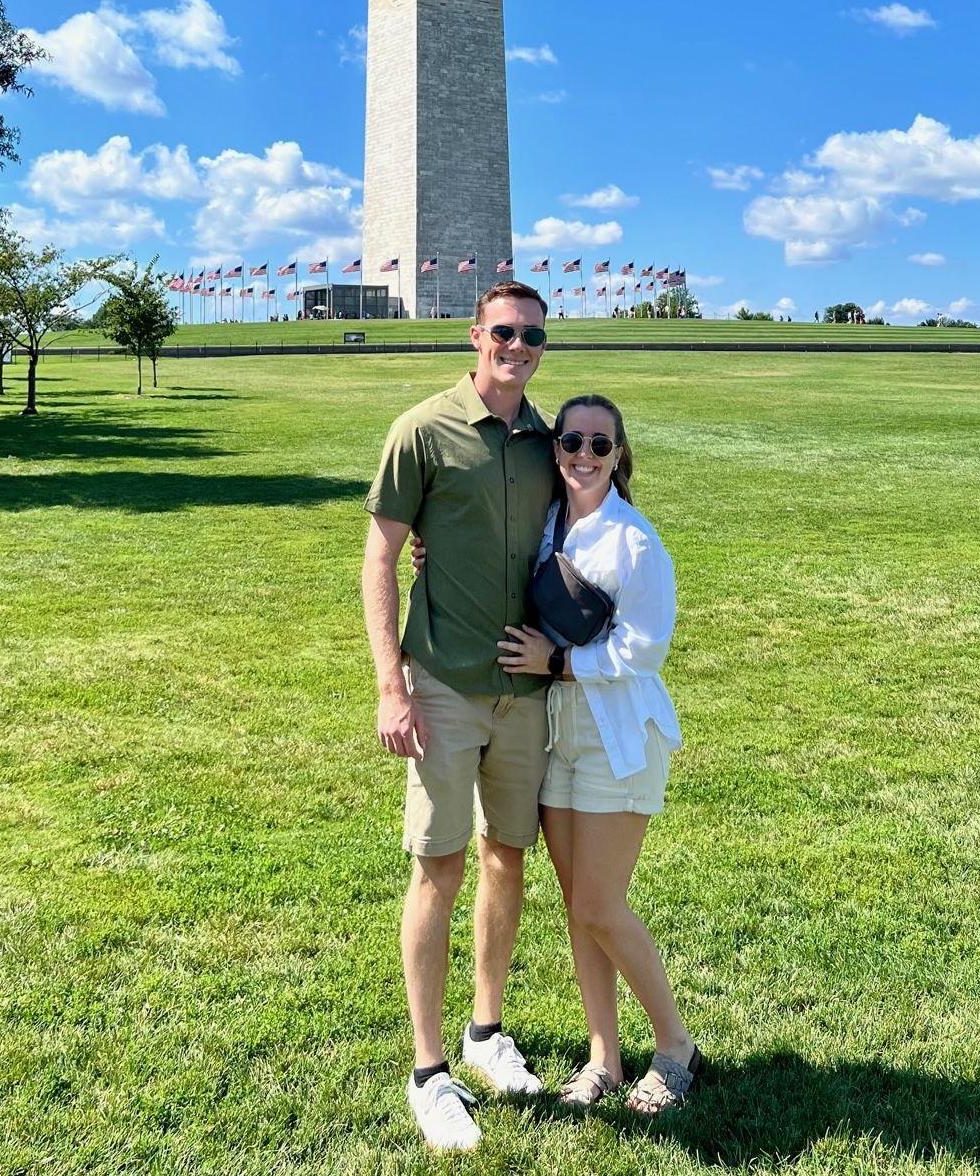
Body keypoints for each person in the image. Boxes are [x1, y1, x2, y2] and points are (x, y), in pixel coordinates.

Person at [361, 281, 556, 1152]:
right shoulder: (423, 429)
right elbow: (378, 561)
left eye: (533, 336)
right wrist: (391, 684)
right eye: (504, 332)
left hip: (523, 690)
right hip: (439, 682)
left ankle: (485, 1032)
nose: (517, 346)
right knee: (438, 865)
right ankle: (429, 1070)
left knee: (506, 858)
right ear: (475, 335)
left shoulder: (550, 443)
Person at [496, 394, 701, 1114]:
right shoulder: (547, 521)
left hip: (619, 738)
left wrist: (559, 664)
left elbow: (646, 647)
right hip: (557, 736)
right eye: (571, 441)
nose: (583, 455)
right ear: (556, 448)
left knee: (599, 902)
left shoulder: (634, 541)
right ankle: (603, 1057)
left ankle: (675, 1048)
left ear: (619, 455)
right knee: (578, 908)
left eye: (598, 445)